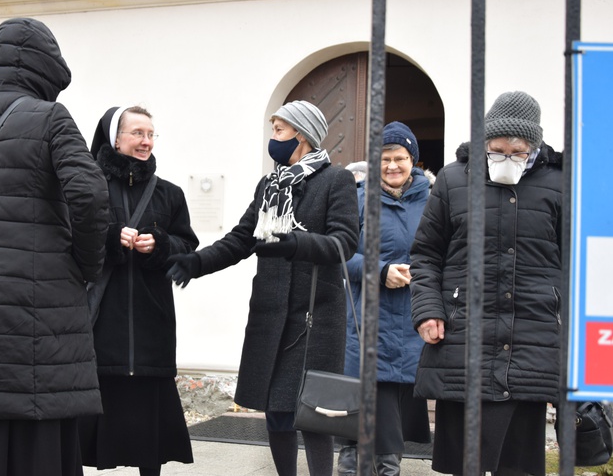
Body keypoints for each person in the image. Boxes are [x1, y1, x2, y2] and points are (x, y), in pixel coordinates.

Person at [166, 100, 360, 476]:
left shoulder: (335, 180)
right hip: (270, 315)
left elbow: (344, 243)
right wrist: (198, 261)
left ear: (301, 135)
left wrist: (296, 244)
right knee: (277, 413)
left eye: (279, 130)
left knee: (316, 415)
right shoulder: (269, 185)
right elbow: (241, 239)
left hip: (314, 319)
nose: (273, 138)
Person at [0, 18, 109, 476]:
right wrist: (85, 264)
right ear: (45, 64)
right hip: (36, 302)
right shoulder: (48, 117)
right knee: (37, 424)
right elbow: (90, 193)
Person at [410, 91, 563, 475]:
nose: (506, 158)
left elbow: (576, 264)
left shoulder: (561, 183)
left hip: (532, 343)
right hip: (464, 342)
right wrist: (428, 310)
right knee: (466, 465)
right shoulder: (452, 179)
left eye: (517, 151)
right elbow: (426, 254)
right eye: (497, 150)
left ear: (535, 146)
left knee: (519, 465)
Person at [77, 106, 198, 475]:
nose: (146, 141)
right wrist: (112, 236)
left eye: (150, 134)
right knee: (91, 417)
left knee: (150, 427)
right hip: (102, 321)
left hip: (152, 320)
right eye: (137, 133)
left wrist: (160, 244)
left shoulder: (170, 194)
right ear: (116, 138)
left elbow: (187, 247)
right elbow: (69, 238)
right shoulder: (89, 187)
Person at [337, 122, 432, 476]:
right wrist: (380, 271)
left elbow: (444, 254)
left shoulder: (433, 201)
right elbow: (339, 254)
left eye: (400, 158)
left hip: (411, 320)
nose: (392, 165)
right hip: (365, 320)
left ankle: (388, 469)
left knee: (393, 415)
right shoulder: (356, 200)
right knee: (356, 414)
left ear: (413, 160)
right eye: (384, 159)